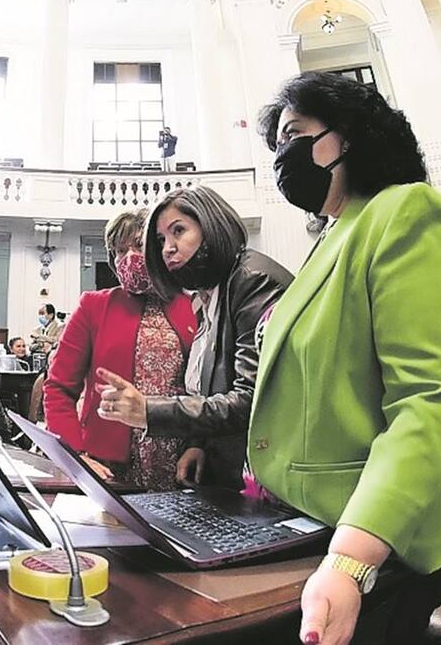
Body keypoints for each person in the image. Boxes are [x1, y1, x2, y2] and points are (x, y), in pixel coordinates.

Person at [242, 72, 441, 645]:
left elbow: (429, 402)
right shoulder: (331, 237)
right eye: (277, 143)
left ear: (348, 135)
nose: (285, 156)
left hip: (386, 530)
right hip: (306, 514)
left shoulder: (406, 212)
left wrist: (352, 559)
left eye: (295, 135)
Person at [95, 186, 293, 491]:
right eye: (161, 240)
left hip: (270, 476)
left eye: (179, 231)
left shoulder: (252, 280)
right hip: (230, 473)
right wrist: (201, 444)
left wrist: (149, 410)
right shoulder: (206, 296)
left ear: (211, 224)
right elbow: (213, 388)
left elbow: (251, 401)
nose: (168, 249)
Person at [44, 207, 196, 491]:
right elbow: (58, 389)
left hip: (182, 466)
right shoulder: (93, 305)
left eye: (138, 245)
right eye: (118, 250)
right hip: (109, 469)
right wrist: (74, 454)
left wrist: (201, 445)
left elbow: (209, 394)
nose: (128, 258)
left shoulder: (194, 305)